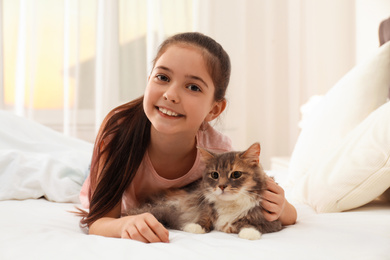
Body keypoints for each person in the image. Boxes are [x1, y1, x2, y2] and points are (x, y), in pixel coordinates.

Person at [79, 32, 297, 243]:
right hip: (102, 180)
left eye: (193, 87)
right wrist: (124, 224)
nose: (170, 95)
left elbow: (290, 215)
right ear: (148, 81)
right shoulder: (118, 134)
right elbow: (99, 222)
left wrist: (282, 206)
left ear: (214, 109)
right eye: (162, 77)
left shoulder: (217, 153)